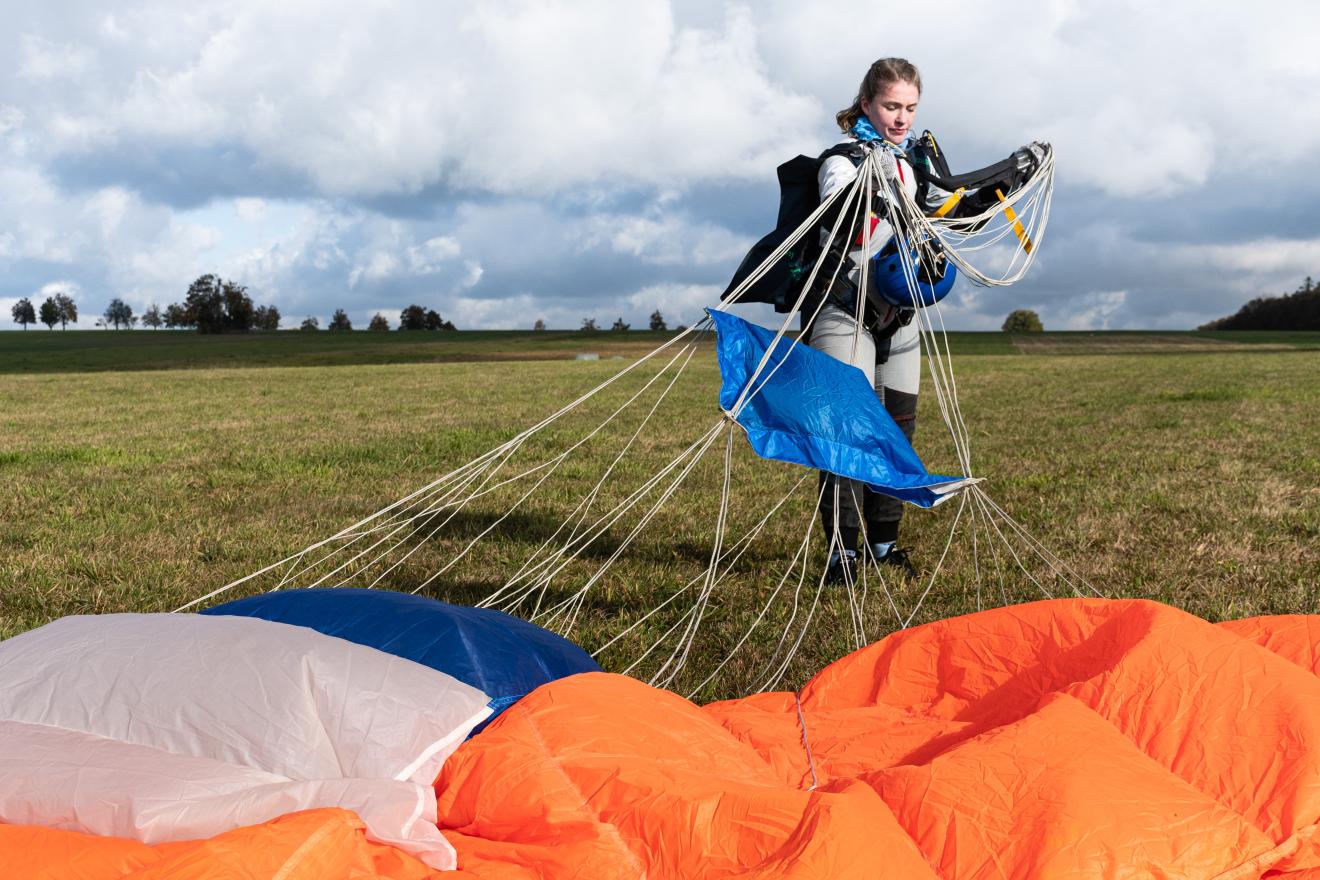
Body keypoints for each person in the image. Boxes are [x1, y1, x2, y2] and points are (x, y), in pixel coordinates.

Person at [805, 58, 1040, 586]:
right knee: (847, 433)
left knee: (897, 433)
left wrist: (1007, 182)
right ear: (866, 103)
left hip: (901, 314)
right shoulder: (842, 161)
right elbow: (840, 216)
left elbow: (952, 210)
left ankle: (885, 547)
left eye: (911, 107)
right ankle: (843, 554)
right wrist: (873, 196)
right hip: (845, 308)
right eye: (892, 106)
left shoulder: (914, 165)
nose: (902, 117)